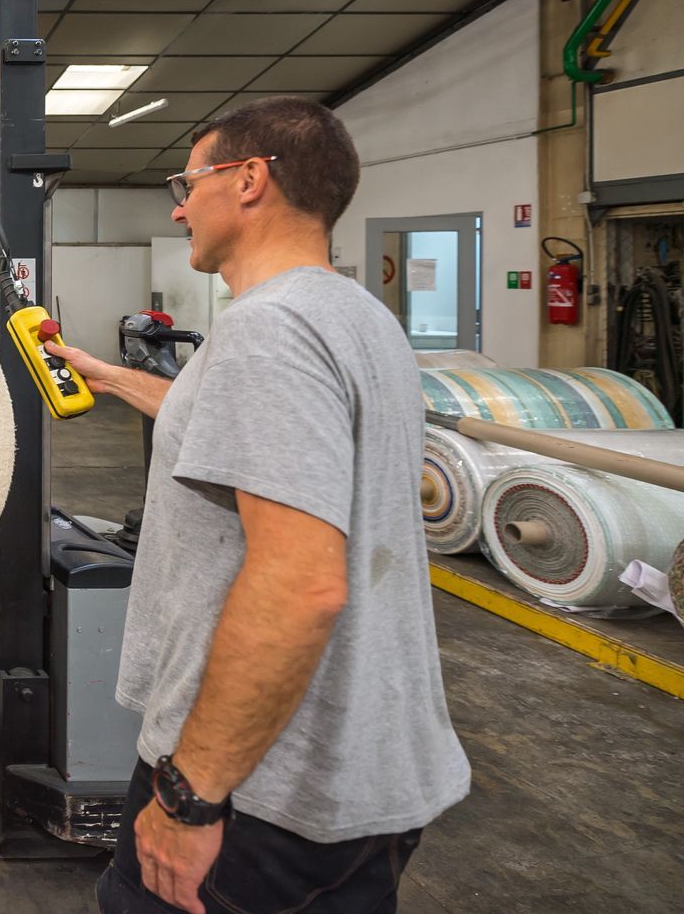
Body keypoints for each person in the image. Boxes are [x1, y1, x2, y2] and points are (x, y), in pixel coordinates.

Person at [49, 96, 468, 914]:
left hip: (261, 794)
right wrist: (110, 377)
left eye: (188, 183)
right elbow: (237, 432)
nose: (178, 208)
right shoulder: (354, 316)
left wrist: (191, 796)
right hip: (363, 772)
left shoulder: (266, 331)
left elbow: (301, 586)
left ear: (247, 180)